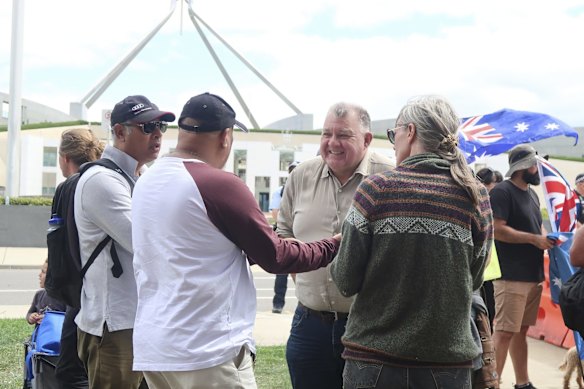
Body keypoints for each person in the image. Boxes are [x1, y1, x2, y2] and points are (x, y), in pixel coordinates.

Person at [130, 92, 341, 389]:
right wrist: (334, 244)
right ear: (225, 136)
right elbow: (276, 256)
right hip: (207, 350)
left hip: (156, 346)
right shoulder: (218, 184)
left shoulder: (147, 181)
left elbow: (201, 245)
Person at [329, 95, 493, 389]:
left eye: (395, 134)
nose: (394, 143)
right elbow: (474, 279)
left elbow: (345, 280)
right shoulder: (475, 195)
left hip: (374, 362)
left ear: (411, 132)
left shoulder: (376, 189)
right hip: (447, 366)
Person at [277, 101, 394, 389]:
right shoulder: (301, 175)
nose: (332, 143)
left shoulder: (392, 177)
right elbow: (284, 235)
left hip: (369, 329)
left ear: (367, 139)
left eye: (343, 135)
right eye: (326, 134)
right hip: (309, 325)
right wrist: (305, 280)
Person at [74, 95, 175, 388]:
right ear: (120, 132)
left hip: (140, 321)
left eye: (161, 127)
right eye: (147, 127)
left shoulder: (138, 177)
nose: (157, 133)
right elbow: (148, 242)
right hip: (115, 325)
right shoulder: (103, 181)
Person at [490, 144, 555, 389]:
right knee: (505, 331)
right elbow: (497, 229)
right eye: (535, 164)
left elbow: (536, 226)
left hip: (531, 275)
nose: (538, 169)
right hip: (511, 276)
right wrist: (534, 239)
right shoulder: (502, 192)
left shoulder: (531, 194)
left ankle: (522, 382)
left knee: (520, 332)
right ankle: (491, 383)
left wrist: (546, 236)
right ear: (522, 167)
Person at [53, 127, 104, 388]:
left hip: (82, 291)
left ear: (64, 158)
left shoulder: (69, 186)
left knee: (71, 372)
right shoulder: (108, 179)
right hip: (112, 291)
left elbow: (59, 241)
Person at [476, 167, 504, 330]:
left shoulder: (489, 204)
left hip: (489, 273)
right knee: (484, 320)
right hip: (482, 273)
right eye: (495, 183)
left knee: (488, 318)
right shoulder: (481, 203)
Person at [271, 160, 300, 314]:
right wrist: (286, 226)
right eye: (292, 170)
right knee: (282, 271)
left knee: (301, 272)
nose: (293, 173)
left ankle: (304, 303)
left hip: (300, 234)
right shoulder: (280, 191)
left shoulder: (305, 189)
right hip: (285, 234)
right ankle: (278, 304)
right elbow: (275, 212)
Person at [27, 259, 66, 325]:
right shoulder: (39, 295)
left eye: (43, 272)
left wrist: (49, 319)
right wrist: (31, 317)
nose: (39, 275)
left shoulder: (66, 298)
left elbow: (70, 320)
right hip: (42, 334)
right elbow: (29, 313)